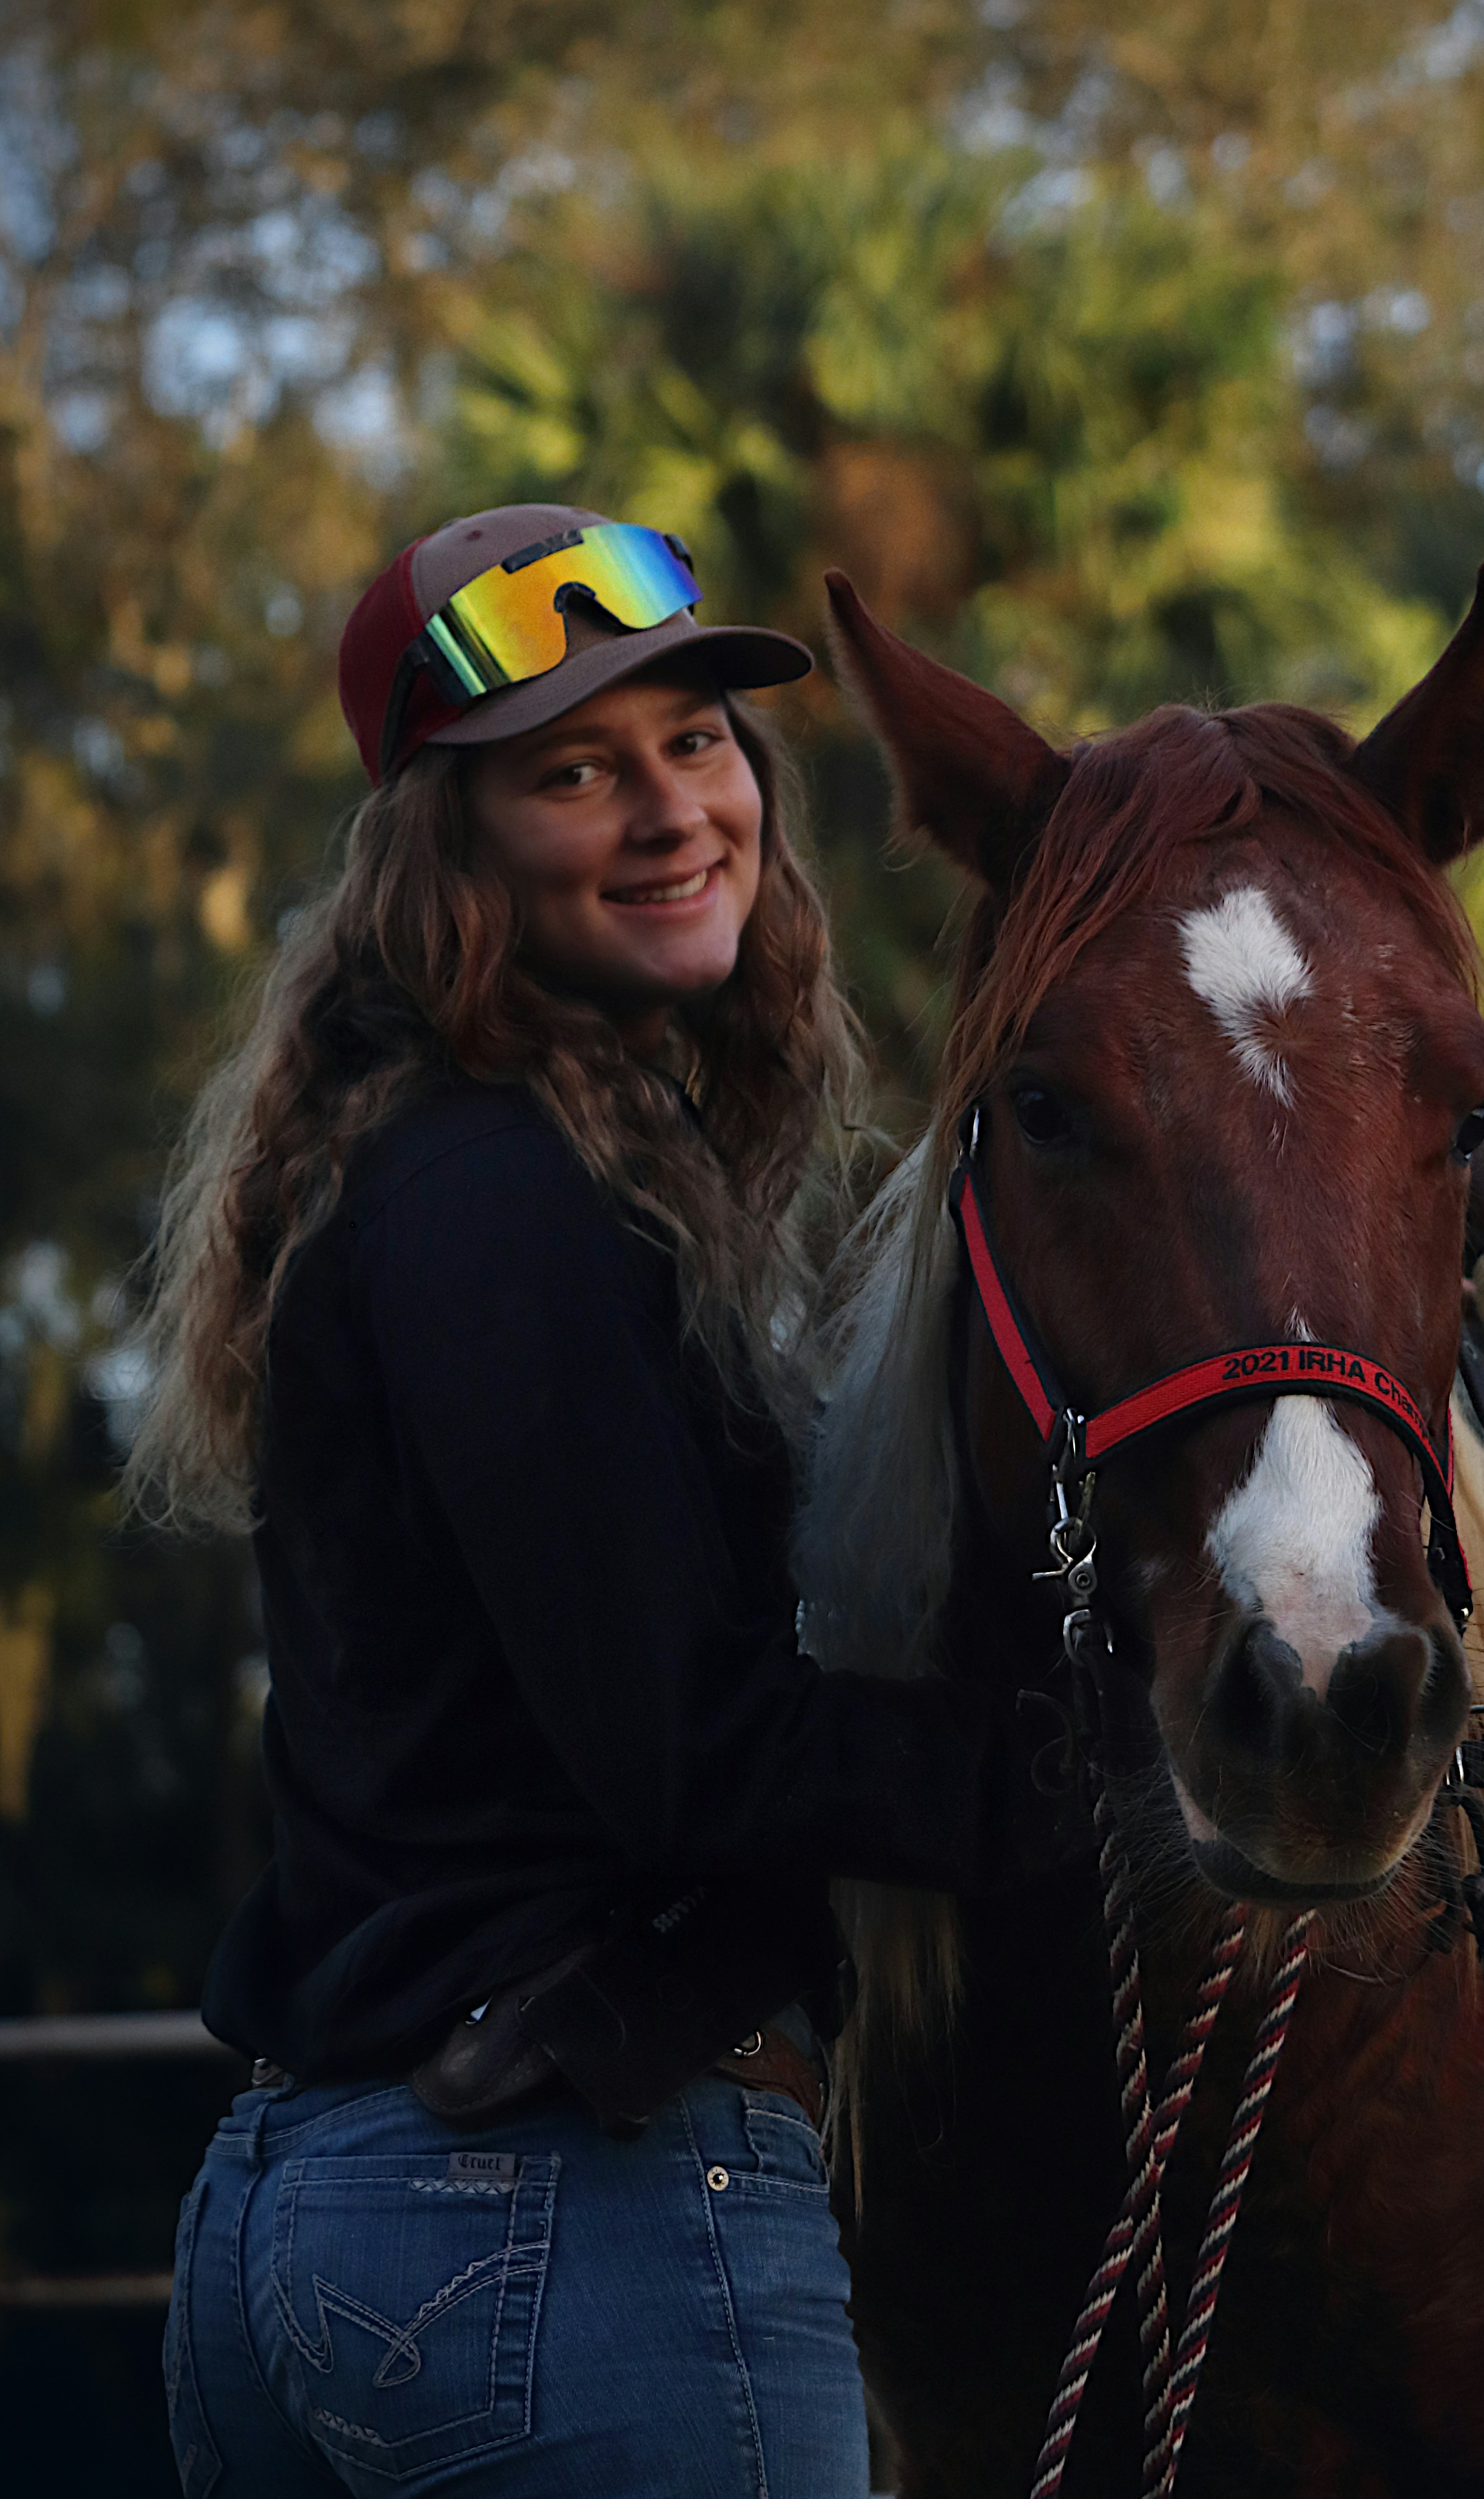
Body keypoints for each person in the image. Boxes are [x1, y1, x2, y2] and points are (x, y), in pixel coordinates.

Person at [138, 504, 1067, 2497]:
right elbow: (690, 1750)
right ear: (443, 855)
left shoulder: (451, 1170)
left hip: (332, 2205)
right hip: (560, 2221)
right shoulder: (498, 1196)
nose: (671, 810)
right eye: (573, 768)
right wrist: (1092, 1783)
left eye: (696, 742)